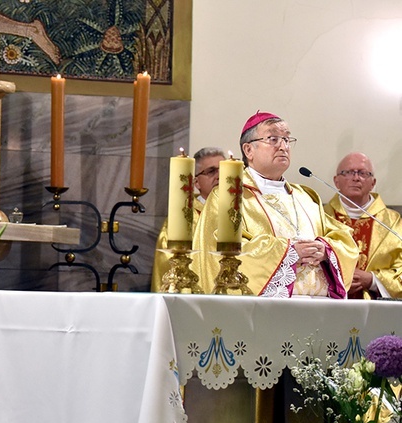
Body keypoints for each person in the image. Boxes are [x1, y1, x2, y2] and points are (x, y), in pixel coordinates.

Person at [192, 111, 358, 297]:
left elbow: (344, 240)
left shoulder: (305, 197)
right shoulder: (229, 196)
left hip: (320, 308)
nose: (283, 146)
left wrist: (326, 250)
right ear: (248, 150)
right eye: (273, 139)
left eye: (287, 139)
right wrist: (290, 252)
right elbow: (222, 252)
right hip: (263, 310)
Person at [324, 152, 402, 299]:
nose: (355, 178)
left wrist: (373, 280)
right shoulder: (321, 216)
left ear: (373, 183)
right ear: (336, 181)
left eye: (362, 173)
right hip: (331, 306)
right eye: (347, 172)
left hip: (377, 311)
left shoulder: (393, 222)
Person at [152, 147, 224, 292]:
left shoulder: (243, 212)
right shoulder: (183, 217)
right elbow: (167, 264)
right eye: (211, 171)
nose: (219, 176)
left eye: (224, 170)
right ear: (196, 182)